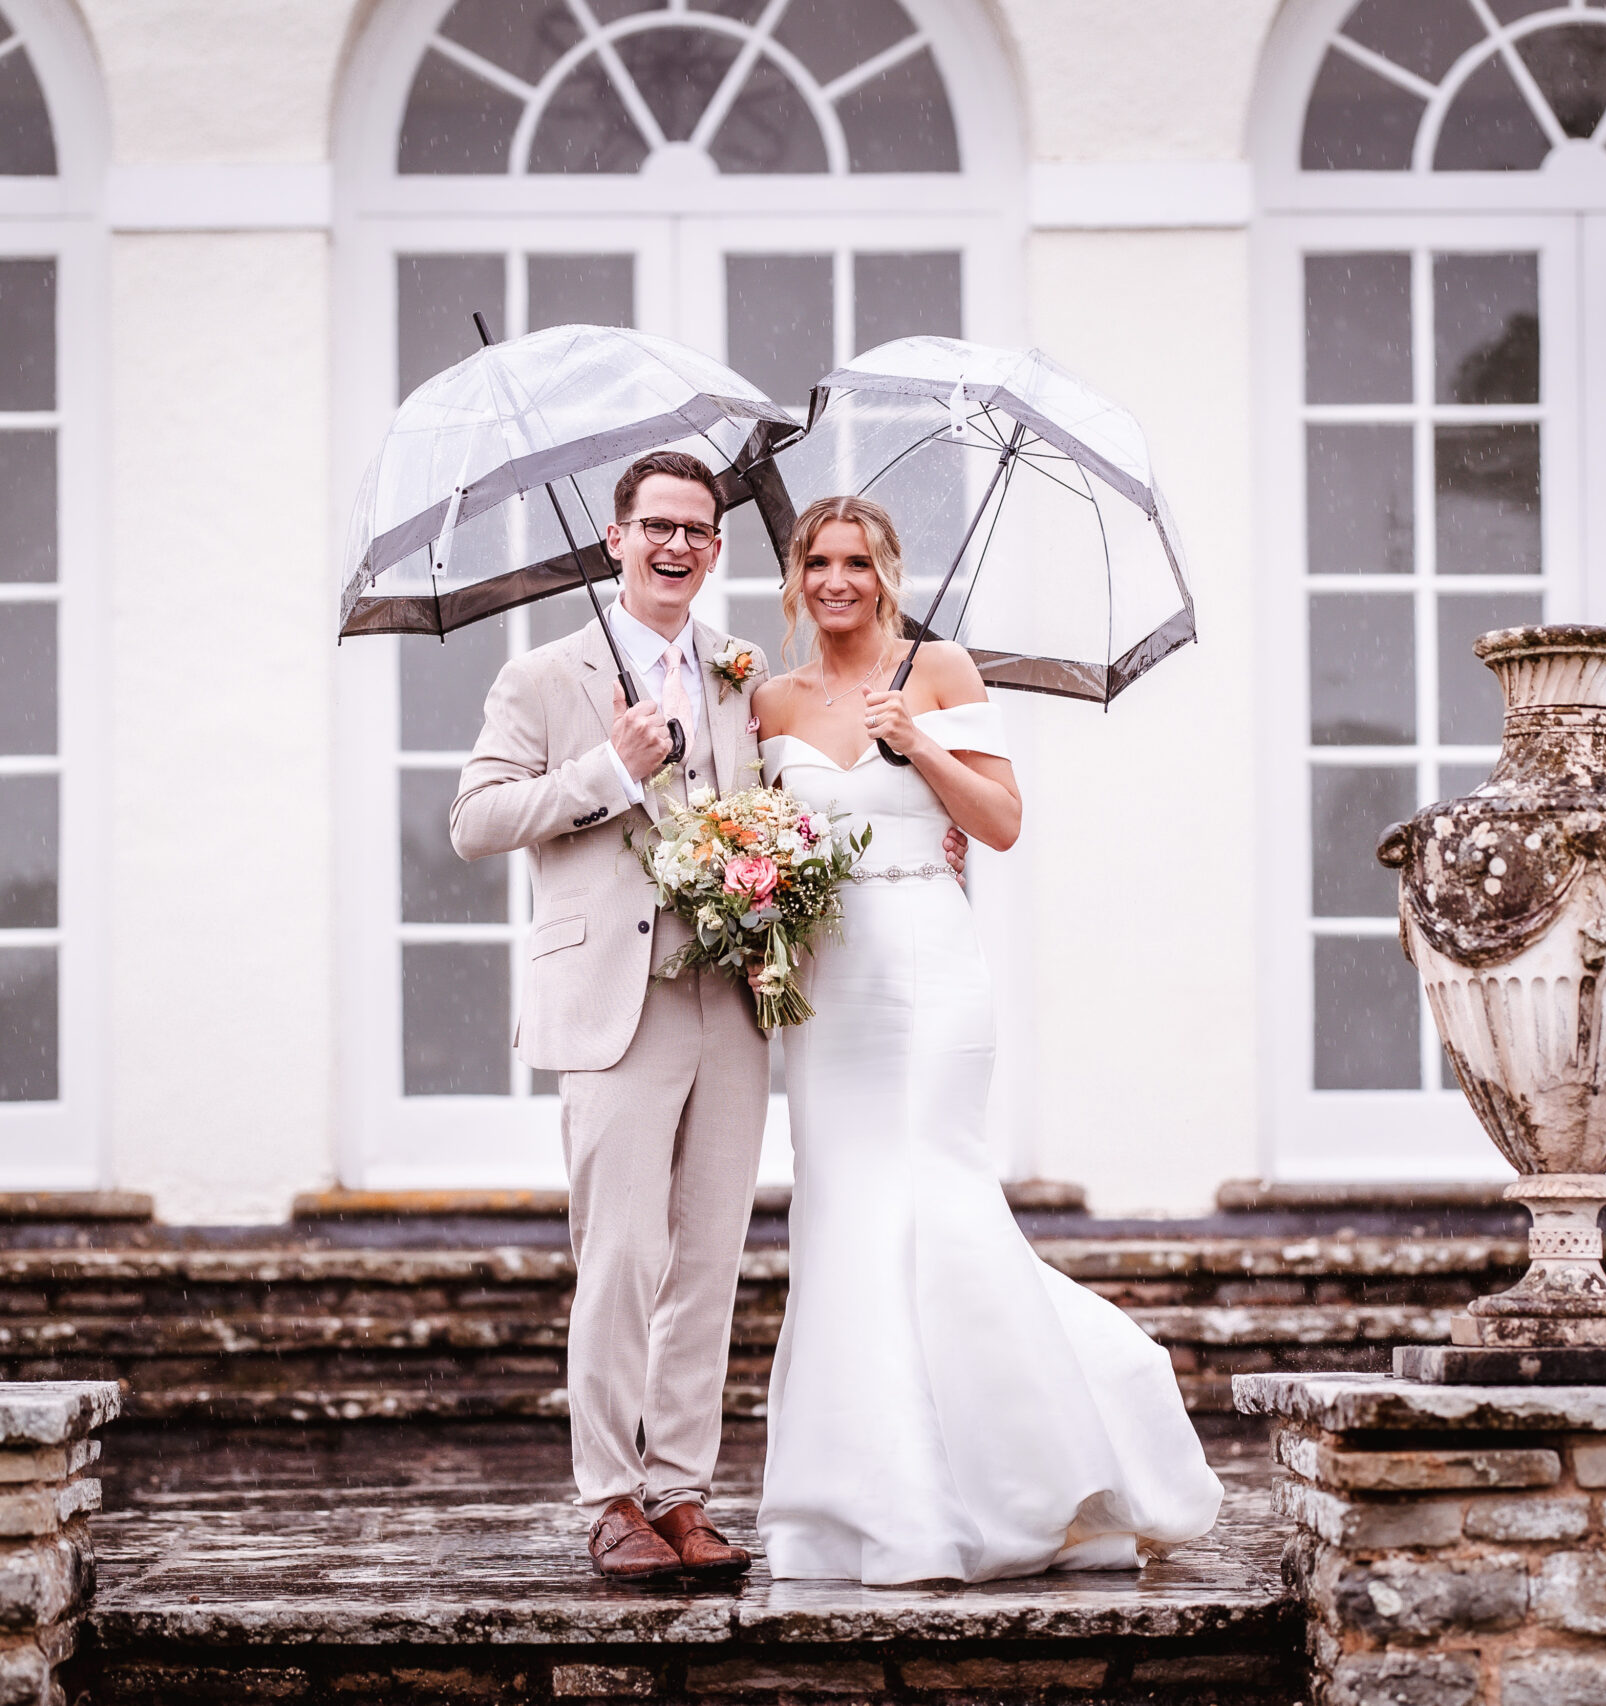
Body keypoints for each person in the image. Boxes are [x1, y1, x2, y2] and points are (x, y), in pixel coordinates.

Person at [449, 453, 962, 1584]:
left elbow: (778, 807)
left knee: (710, 1261)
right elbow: (475, 820)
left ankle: (682, 1492)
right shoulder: (544, 677)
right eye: (656, 528)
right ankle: (610, 1496)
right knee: (622, 1255)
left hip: (730, 999)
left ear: (714, 550)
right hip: (616, 1006)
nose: (675, 546)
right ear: (615, 541)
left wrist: (928, 816)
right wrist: (606, 769)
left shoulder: (738, 675)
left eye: (695, 530)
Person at [749, 494, 1222, 1584]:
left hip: (924, 963)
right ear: (795, 577)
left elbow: (1001, 822)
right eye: (817, 561)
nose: (836, 580)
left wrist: (914, 742)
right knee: (843, 1214)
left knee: (936, 1197)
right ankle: (855, 1505)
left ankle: (1033, 1473)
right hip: (826, 982)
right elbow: (752, 834)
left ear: (887, 571)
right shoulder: (766, 699)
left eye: (856, 561)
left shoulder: (942, 668)